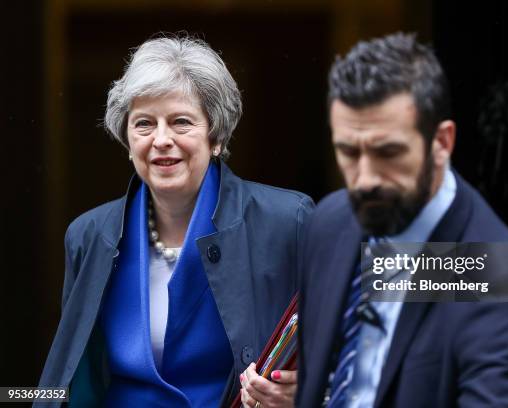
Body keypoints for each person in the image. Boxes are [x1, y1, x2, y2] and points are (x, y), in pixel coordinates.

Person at [37, 35, 312, 408]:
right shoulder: (88, 235)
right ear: (127, 138)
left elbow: (356, 347)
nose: (161, 139)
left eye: (181, 122)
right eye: (144, 124)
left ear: (215, 135)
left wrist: (306, 392)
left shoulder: (288, 220)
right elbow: (72, 376)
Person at [296, 33, 508, 407]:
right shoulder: (329, 223)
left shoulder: (501, 279)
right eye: (348, 151)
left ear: (442, 142)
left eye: (389, 152)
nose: (365, 178)